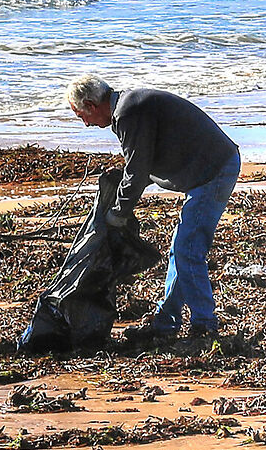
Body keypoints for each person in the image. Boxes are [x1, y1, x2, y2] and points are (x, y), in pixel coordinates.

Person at [64, 75, 242, 342]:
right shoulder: (128, 107)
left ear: (91, 105)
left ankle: (205, 325)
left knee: (188, 250)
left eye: (81, 116)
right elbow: (143, 164)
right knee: (180, 251)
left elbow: (137, 172)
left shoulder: (128, 112)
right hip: (208, 169)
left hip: (214, 171)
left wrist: (116, 215)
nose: (86, 123)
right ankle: (166, 323)